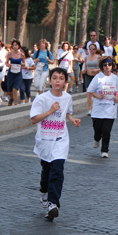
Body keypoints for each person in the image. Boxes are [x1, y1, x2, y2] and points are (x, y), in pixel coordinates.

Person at [30, 67, 81, 221]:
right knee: (46, 172)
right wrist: (50, 111)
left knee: (57, 171)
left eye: (61, 78)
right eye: (54, 78)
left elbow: (66, 112)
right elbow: (33, 119)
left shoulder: (67, 98)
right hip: (44, 141)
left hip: (60, 140)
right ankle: (44, 192)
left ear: (65, 81)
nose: (57, 81)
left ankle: (53, 204)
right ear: (50, 80)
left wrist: (72, 119)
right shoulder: (42, 99)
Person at [87, 56, 118, 158]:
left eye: (109, 64)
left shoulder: (115, 78)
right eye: (105, 65)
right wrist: (98, 96)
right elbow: (90, 90)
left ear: (112, 66)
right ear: (102, 66)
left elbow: (117, 90)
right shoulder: (98, 77)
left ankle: (104, 150)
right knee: (97, 129)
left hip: (110, 108)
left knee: (106, 131)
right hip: (98, 108)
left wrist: (116, 97)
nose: (107, 66)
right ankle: (97, 138)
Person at [5, 39, 24, 106]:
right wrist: (8, 65)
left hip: (18, 74)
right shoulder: (9, 54)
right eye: (13, 45)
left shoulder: (21, 54)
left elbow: (24, 63)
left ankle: (16, 104)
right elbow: (6, 63)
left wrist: (21, 64)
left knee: (15, 89)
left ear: (19, 46)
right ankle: (11, 98)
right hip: (11, 73)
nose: (14, 46)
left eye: (16, 45)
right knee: (10, 90)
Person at [82, 43, 100, 115]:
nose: (92, 50)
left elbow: (101, 68)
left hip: (95, 77)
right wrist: (83, 71)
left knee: (95, 93)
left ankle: (96, 107)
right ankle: (90, 109)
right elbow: (85, 66)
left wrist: (96, 70)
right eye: (90, 49)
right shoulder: (86, 57)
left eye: (93, 49)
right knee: (89, 93)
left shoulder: (98, 57)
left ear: (95, 50)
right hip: (88, 76)